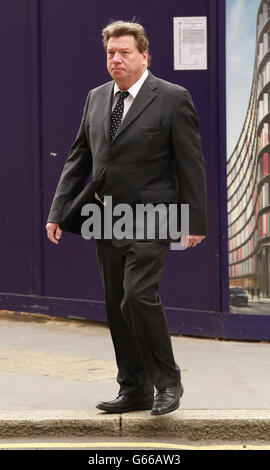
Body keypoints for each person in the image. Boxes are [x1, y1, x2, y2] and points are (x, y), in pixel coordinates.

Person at [46, 20, 207, 416]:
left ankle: (167, 381)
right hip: (107, 216)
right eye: (110, 53)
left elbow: (191, 164)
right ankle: (134, 387)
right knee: (117, 302)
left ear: (144, 55)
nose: (116, 59)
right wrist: (59, 211)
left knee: (137, 294)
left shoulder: (172, 97)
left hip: (155, 214)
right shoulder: (96, 98)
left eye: (125, 52)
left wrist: (196, 220)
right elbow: (78, 157)